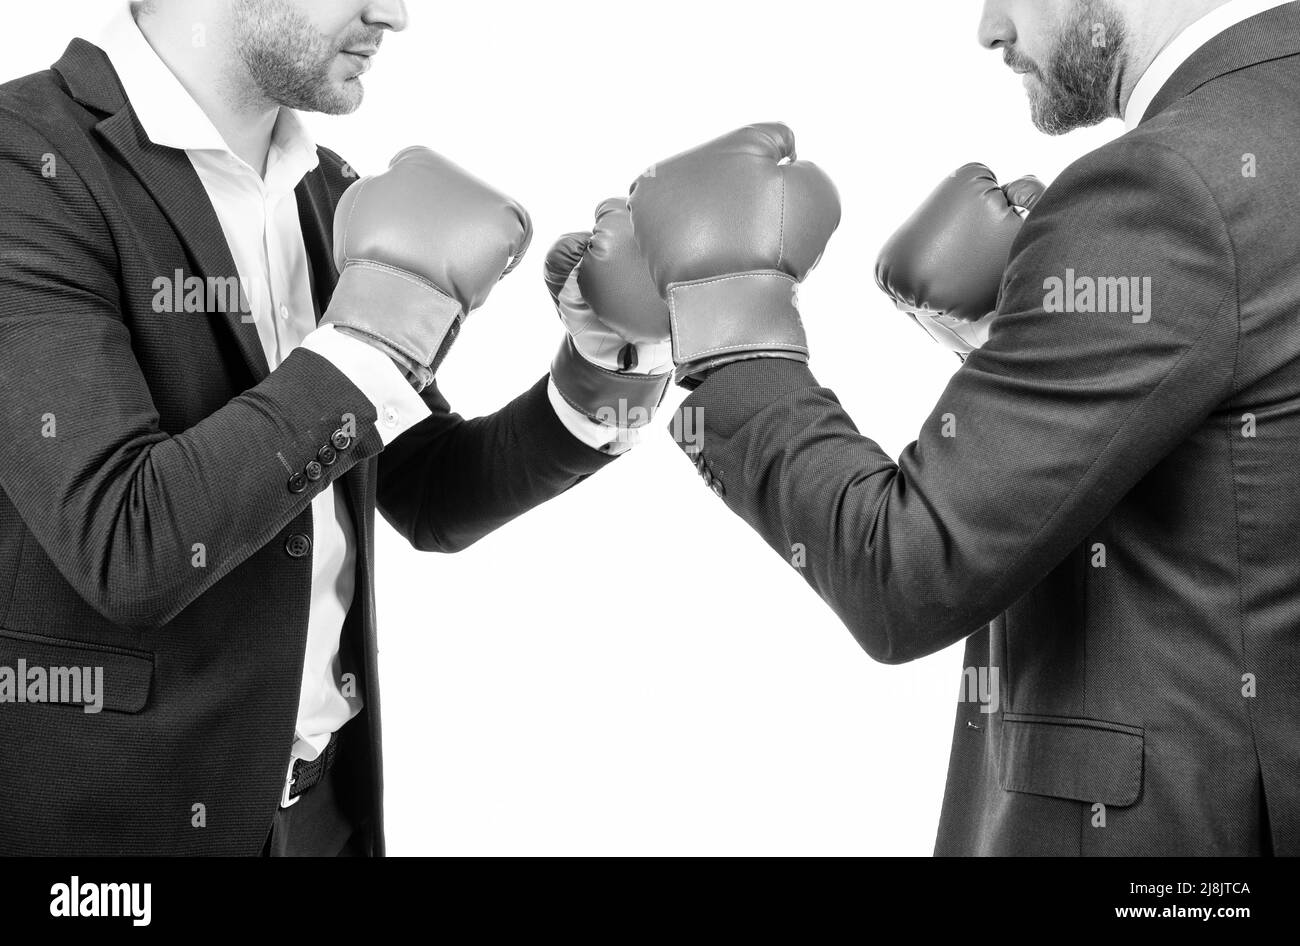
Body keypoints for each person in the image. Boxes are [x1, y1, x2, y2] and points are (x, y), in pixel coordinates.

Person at [0, 0, 670, 856]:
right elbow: (126, 544)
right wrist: (370, 342)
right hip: (118, 833)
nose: (393, 14)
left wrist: (605, 367)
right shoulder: (26, 162)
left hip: (323, 816)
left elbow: (427, 490)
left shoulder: (329, 190)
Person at [639, 0, 1300, 855]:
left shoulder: (1163, 186)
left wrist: (729, 331)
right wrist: (1026, 347)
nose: (988, 28)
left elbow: (904, 573)